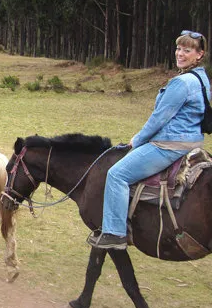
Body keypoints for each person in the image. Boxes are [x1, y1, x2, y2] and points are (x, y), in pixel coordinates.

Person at [89, 30, 210, 250]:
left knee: (117, 174)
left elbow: (159, 119)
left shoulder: (181, 83)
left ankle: (115, 233)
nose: (180, 54)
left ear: (199, 54)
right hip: (193, 142)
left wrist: (137, 139)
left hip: (169, 144)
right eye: (179, 48)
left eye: (187, 50)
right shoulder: (202, 80)